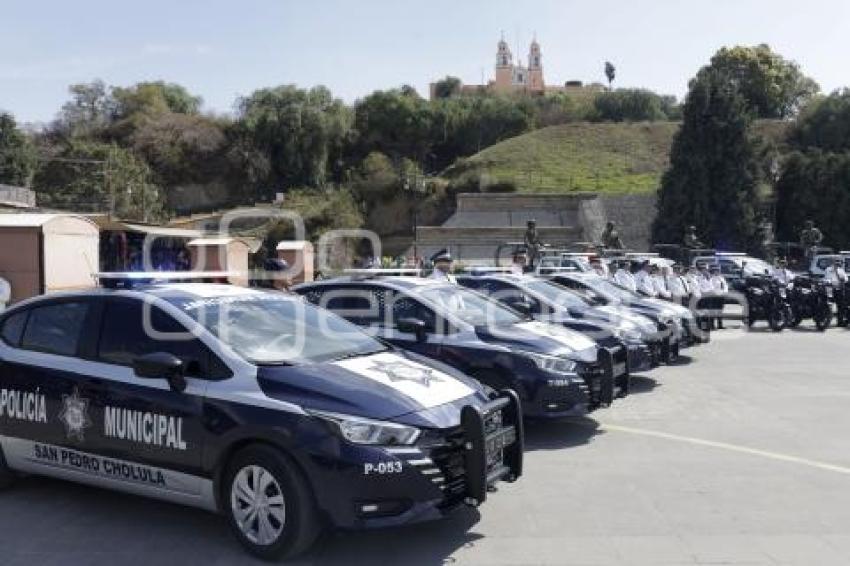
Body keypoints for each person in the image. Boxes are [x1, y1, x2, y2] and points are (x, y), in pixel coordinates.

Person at [708, 265, 728, 329]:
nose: (717, 272)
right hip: (714, 296)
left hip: (721, 296)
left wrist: (725, 292)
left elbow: (725, 286)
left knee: (720, 311)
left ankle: (720, 325)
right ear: (713, 272)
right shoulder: (711, 278)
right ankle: (712, 325)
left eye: (718, 271)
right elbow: (711, 287)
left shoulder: (722, 278)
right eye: (715, 271)